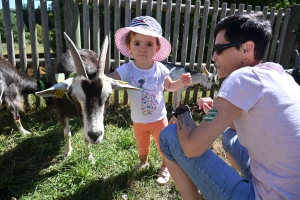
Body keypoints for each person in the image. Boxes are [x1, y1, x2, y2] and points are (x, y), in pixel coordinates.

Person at [159, 12, 300, 199]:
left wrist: (182, 113)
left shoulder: (241, 77)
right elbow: (236, 124)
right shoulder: (281, 75)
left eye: (220, 48)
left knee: (169, 136)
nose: (213, 57)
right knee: (230, 135)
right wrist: (215, 113)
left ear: (246, 49)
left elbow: (192, 148)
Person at [108, 16, 192, 185]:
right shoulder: (126, 69)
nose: (142, 49)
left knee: (163, 146)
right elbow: (109, 79)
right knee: (142, 144)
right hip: (138, 120)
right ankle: (143, 161)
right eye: (137, 43)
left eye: (149, 44)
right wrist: (98, 80)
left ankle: (165, 166)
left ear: (157, 48)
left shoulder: (159, 68)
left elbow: (170, 86)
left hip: (159, 119)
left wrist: (180, 83)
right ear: (129, 47)